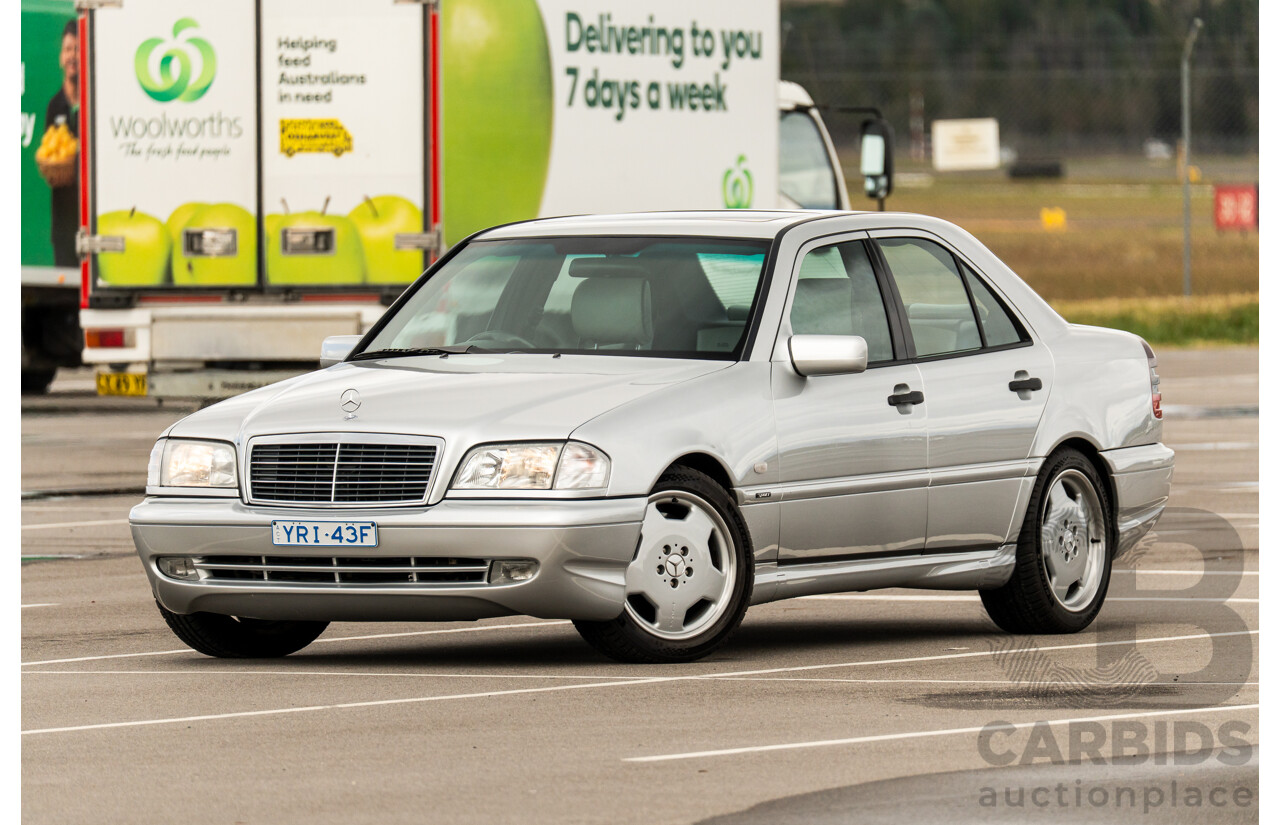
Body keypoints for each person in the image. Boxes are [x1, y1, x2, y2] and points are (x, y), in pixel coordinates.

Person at [45, 19, 79, 267]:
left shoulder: (94, 102)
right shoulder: (53, 106)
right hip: (63, 229)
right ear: (60, 57)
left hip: (91, 220)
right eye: (68, 49)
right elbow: (50, 159)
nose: (73, 56)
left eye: (78, 49)